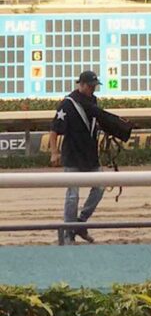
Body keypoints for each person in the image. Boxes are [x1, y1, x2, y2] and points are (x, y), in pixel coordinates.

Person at [49, 71, 108, 245]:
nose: (92, 89)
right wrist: (54, 152)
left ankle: (80, 222)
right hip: (72, 157)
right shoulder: (67, 104)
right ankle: (69, 233)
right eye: (90, 86)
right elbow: (53, 131)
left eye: (94, 86)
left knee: (100, 187)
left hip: (91, 157)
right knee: (73, 195)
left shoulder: (93, 102)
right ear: (80, 85)